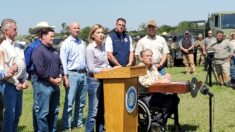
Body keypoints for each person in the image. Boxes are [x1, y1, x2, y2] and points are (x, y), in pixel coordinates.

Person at [85, 24, 121, 132]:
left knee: (102, 110)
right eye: (98, 33)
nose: (101, 35)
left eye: (102, 33)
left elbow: (106, 65)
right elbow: (91, 69)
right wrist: (106, 70)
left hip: (105, 80)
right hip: (94, 81)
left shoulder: (103, 47)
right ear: (92, 35)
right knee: (93, 112)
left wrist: (114, 68)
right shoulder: (89, 49)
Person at [138, 49, 179, 131]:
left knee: (175, 99)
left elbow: (159, 77)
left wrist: (166, 76)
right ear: (141, 58)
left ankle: (157, 122)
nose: (150, 58)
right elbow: (146, 83)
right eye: (147, 56)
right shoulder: (139, 68)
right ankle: (156, 123)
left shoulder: (152, 67)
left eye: (150, 56)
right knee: (168, 101)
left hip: (154, 95)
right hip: (144, 97)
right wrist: (159, 81)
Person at [24, 21, 55, 132]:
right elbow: (26, 64)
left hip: (47, 76)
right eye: (43, 30)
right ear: (39, 34)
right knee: (38, 105)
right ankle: (37, 128)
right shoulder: (32, 47)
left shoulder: (49, 47)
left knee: (45, 105)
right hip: (37, 77)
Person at [31, 28, 63, 131]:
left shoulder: (54, 50)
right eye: (51, 36)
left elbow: (60, 65)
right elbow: (40, 70)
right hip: (44, 85)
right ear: (43, 37)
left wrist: (60, 76)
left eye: (54, 36)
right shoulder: (38, 51)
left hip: (55, 85)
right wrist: (52, 79)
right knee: (43, 112)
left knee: (54, 111)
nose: (53, 38)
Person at [0, 18, 28, 132]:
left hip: (20, 84)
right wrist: (16, 82)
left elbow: (23, 63)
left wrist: (25, 80)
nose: (17, 31)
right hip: (9, 85)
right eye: (14, 29)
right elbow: (2, 71)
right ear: (6, 31)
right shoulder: (2, 47)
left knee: (17, 114)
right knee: (9, 115)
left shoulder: (18, 45)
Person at [60, 21, 87, 131]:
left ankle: (78, 123)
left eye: (78, 28)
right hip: (72, 74)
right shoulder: (66, 43)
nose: (77, 30)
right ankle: (67, 125)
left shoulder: (82, 43)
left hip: (83, 74)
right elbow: (63, 61)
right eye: (74, 28)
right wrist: (65, 77)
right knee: (70, 102)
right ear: (70, 30)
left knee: (81, 102)